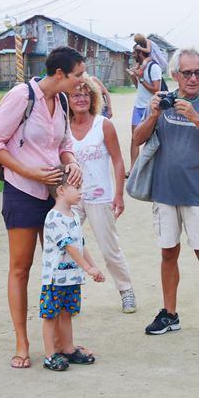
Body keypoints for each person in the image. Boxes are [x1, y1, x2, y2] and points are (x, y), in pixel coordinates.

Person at [0, 46, 85, 369]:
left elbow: (64, 144)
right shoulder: (21, 97)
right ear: (59, 73)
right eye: (78, 75)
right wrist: (29, 172)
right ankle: (22, 343)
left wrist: (72, 161)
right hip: (23, 191)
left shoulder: (63, 101)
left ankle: (63, 344)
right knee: (21, 267)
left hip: (55, 194)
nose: (82, 81)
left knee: (60, 264)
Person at [132, 47, 199, 337]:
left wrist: (196, 117)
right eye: (186, 73)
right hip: (164, 191)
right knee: (168, 252)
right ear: (174, 75)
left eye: (198, 72)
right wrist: (153, 114)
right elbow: (138, 138)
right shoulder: (163, 102)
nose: (192, 78)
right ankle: (169, 313)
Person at [67, 76, 137, 313]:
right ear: (67, 99)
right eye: (75, 95)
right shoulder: (62, 128)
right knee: (67, 244)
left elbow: (117, 160)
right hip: (72, 197)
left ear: (93, 98)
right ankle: (70, 296)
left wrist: (119, 195)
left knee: (109, 248)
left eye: (85, 94)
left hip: (100, 195)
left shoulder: (103, 125)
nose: (81, 99)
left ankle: (126, 290)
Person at [40, 176, 104, 371]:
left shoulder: (74, 215)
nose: (81, 192)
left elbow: (80, 245)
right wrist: (87, 268)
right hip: (55, 278)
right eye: (76, 187)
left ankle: (68, 348)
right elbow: (68, 246)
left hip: (72, 277)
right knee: (51, 315)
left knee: (67, 313)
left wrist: (93, 267)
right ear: (61, 190)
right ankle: (50, 354)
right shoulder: (54, 218)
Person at [128, 49, 162, 171]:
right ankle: (133, 169)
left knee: (154, 139)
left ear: (140, 53)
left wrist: (141, 79)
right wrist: (134, 76)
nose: (132, 55)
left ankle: (152, 169)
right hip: (138, 107)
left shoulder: (154, 67)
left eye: (134, 53)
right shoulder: (139, 68)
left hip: (151, 107)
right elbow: (138, 86)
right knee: (135, 138)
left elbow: (156, 89)